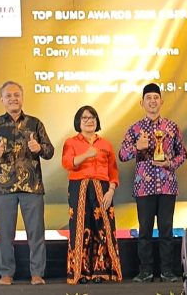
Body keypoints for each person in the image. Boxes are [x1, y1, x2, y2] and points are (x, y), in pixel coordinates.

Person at [0, 81, 54, 286]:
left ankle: (37, 274)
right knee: (5, 234)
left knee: (36, 233)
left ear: (22, 98)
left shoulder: (35, 123)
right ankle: (6, 274)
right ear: (2, 100)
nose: (13, 99)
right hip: (4, 188)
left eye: (16, 95)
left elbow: (49, 151)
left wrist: (39, 148)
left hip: (32, 186)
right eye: (8, 96)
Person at [119, 83, 187, 283]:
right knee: (145, 231)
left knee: (166, 230)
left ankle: (167, 270)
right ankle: (145, 271)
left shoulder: (172, 127)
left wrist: (169, 163)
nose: (152, 101)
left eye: (155, 97)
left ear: (161, 101)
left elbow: (182, 154)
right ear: (142, 103)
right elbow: (122, 155)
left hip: (167, 185)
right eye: (148, 98)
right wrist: (136, 148)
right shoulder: (135, 129)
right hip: (144, 187)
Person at [61, 105, 122, 284]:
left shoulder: (105, 144)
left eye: (92, 118)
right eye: (85, 118)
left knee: (103, 228)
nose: (89, 121)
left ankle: (101, 271)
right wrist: (86, 155)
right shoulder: (71, 142)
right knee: (80, 227)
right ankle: (80, 272)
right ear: (78, 122)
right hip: (79, 187)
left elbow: (113, 171)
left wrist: (111, 190)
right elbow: (67, 163)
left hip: (102, 188)